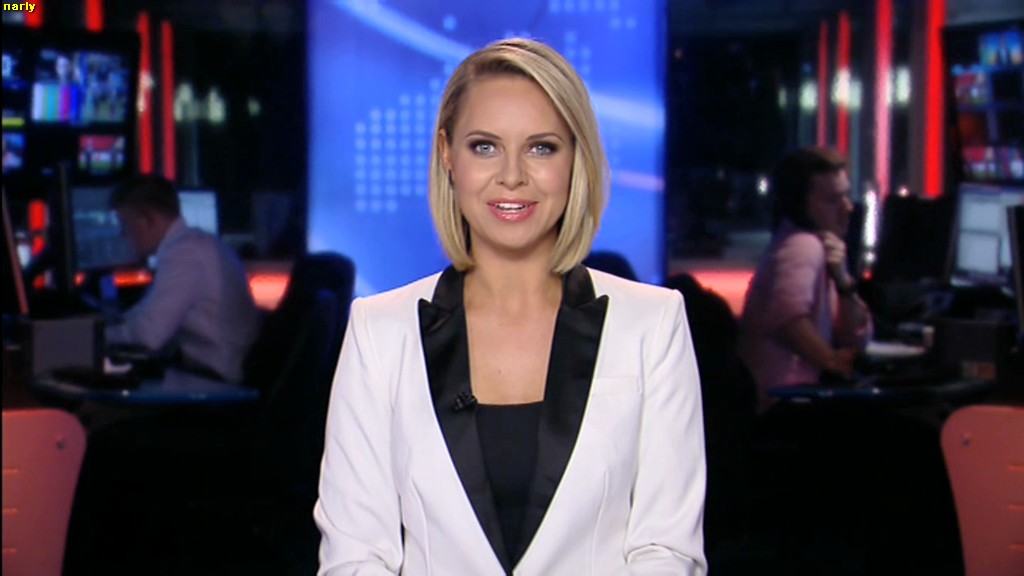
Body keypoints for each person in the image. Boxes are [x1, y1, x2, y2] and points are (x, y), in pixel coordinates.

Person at [315, 38, 707, 575]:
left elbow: (667, 551)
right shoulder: (378, 331)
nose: (513, 176)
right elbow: (356, 557)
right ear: (447, 155)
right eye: (485, 147)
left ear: (576, 159)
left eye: (542, 148)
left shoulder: (653, 324)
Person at [737, 146, 872, 410]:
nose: (847, 208)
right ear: (799, 204)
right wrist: (831, 361)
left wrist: (843, 282)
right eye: (832, 200)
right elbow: (789, 319)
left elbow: (855, 338)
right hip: (785, 404)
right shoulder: (802, 246)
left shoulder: (818, 246)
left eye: (846, 196)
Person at [104, 175, 260, 383]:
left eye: (125, 225)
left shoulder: (185, 253)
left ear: (148, 220)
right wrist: (111, 326)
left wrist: (96, 337)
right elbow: (145, 314)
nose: (123, 235)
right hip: (213, 370)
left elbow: (149, 335)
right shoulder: (194, 244)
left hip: (215, 379)